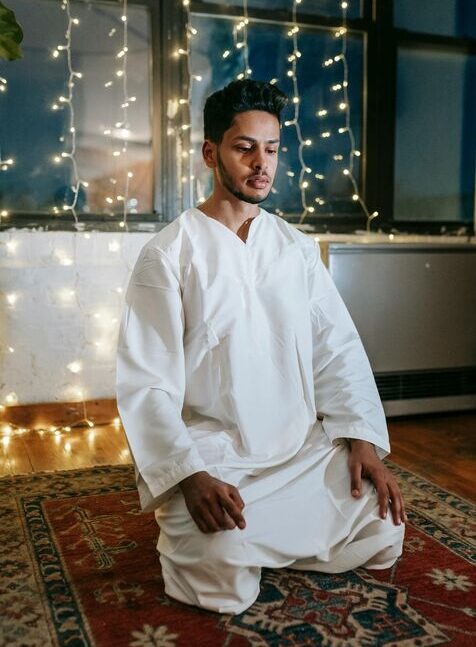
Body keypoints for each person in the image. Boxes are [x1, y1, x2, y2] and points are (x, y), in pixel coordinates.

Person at [115, 79, 406, 615]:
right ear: (211, 153)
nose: (261, 163)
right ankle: (258, 540)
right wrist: (189, 475)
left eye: (271, 149)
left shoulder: (294, 248)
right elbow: (147, 381)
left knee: (384, 526)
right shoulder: (168, 254)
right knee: (220, 578)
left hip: (299, 450)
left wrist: (361, 439)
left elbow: (335, 348)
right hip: (218, 459)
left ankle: (269, 539)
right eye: (244, 147)